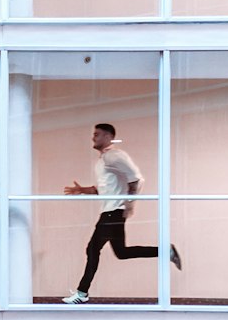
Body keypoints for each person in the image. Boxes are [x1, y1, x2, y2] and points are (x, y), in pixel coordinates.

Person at [62, 123, 181, 304]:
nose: (94, 137)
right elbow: (103, 189)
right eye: (94, 134)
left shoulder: (114, 156)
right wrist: (81, 190)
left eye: (98, 134)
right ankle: (166, 251)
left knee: (93, 249)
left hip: (112, 213)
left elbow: (136, 179)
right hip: (111, 212)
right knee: (121, 252)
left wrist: (129, 204)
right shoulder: (103, 161)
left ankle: (82, 293)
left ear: (108, 137)